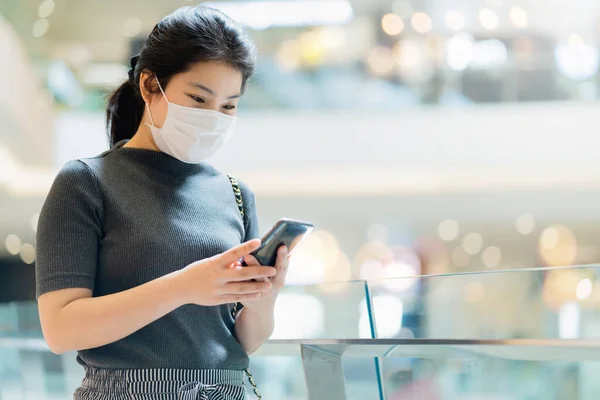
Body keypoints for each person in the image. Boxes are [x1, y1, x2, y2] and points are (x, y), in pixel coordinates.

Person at [35, 5, 289, 399]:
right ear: (151, 85)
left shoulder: (237, 195)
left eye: (228, 105)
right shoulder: (86, 182)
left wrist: (265, 296)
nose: (213, 117)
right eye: (198, 98)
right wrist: (185, 286)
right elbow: (61, 329)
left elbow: (247, 340)